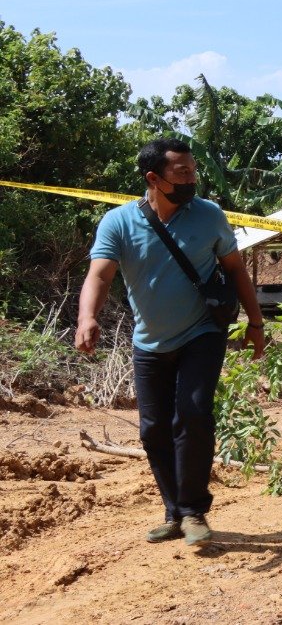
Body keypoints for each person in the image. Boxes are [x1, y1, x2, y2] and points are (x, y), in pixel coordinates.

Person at [75, 138, 266, 547]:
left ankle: (194, 510)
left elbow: (235, 270)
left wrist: (256, 322)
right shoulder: (118, 222)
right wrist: (87, 316)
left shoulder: (209, 215)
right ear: (154, 178)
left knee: (193, 414)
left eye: (193, 171)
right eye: (182, 173)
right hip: (149, 341)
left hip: (202, 332)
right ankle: (174, 512)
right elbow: (100, 275)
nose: (192, 179)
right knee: (153, 429)